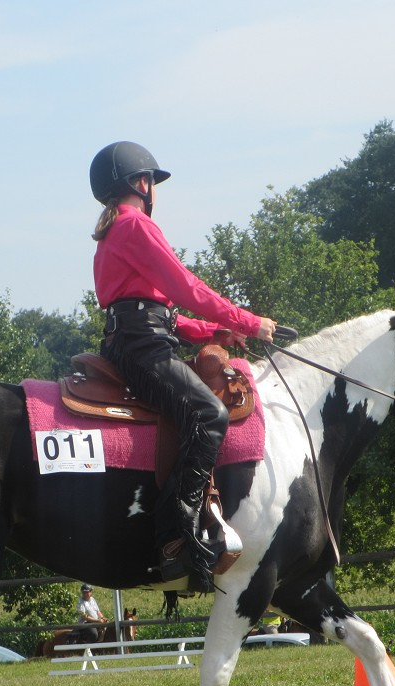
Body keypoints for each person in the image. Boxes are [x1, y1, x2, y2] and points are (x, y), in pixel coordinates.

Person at [89, 141, 277, 593]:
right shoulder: (136, 225)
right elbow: (187, 287)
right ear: (141, 182)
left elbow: (161, 314)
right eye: (152, 181)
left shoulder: (116, 230)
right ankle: (176, 534)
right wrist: (249, 322)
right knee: (209, 414)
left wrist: (211, 334)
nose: (155, 189)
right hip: (143, 349)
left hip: (137, 340)